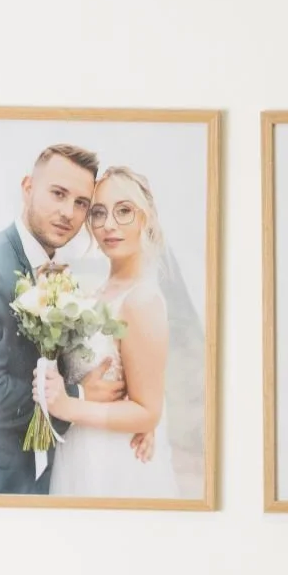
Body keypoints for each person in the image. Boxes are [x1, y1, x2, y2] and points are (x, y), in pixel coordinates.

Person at [0, 144, 135, 495]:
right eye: (57, 193)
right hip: (2, 482)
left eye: (81, 203)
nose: (68, 212)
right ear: (28, 188)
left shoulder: (61, 276)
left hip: (55, 473)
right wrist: (80, 395)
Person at [38, 167, 180, 500]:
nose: (109, 225)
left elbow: (148, 410)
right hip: (82, 454)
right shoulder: (97, 294)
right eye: (98, 213)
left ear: (146, 218)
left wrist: (69, 407)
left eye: (124, 211)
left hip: (114, 463)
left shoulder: (141, 300)